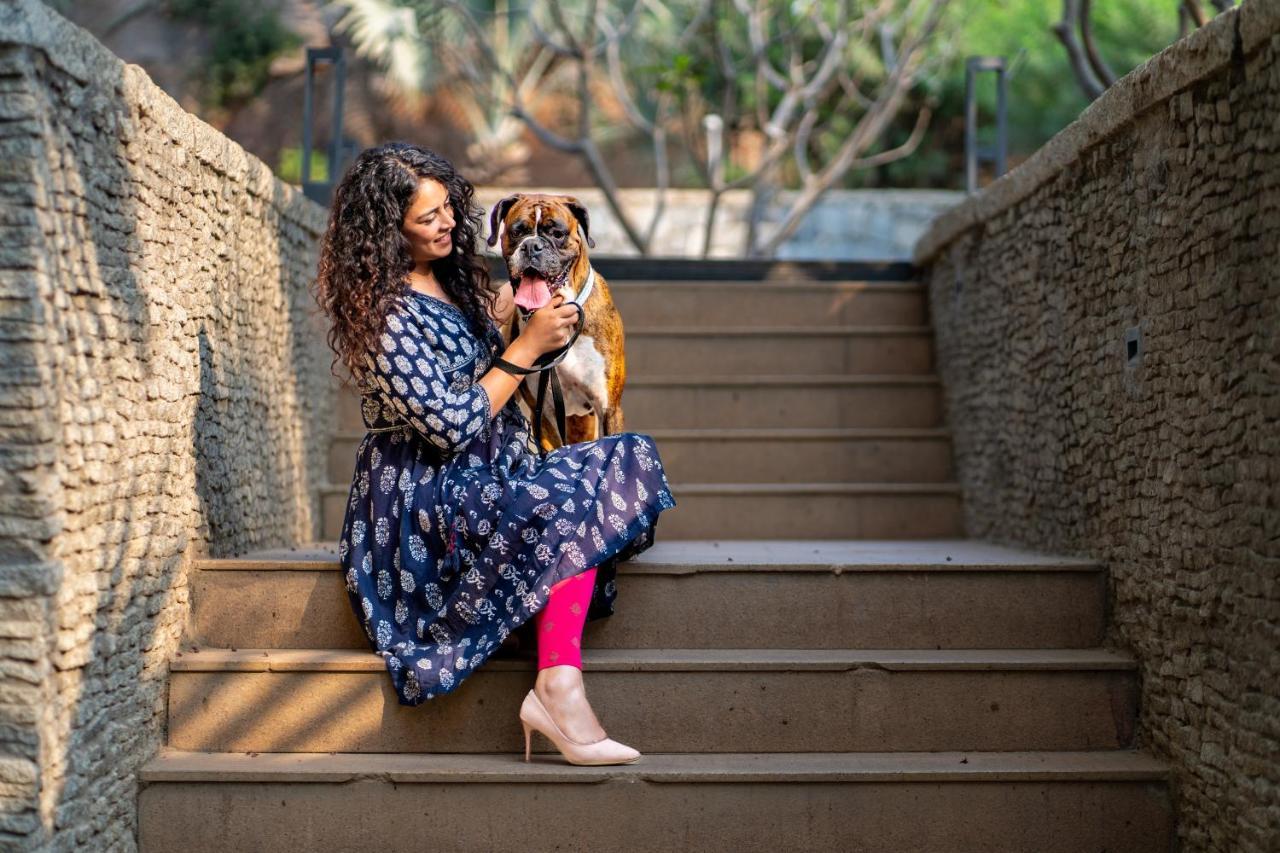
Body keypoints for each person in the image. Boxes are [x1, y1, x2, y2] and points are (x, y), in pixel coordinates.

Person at [311, 142, 677, 766]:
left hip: (498, 470)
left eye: (449, 207)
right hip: (429, 500)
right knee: (569, 500)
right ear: (385, 231)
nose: (449, 222)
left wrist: (520, 305)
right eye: (429, 219)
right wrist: (524, 348)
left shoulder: (451, 277)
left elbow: (486, 345)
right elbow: (450, 425)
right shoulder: (383, 314)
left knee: (628, 455)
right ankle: (558, 686)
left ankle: (552, 680)